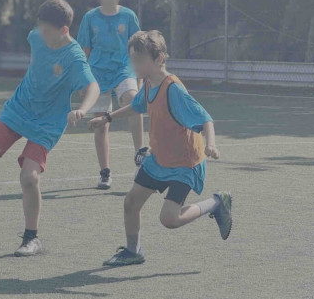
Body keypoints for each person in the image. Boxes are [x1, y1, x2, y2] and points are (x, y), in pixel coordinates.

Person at [0, 0, 100, 257]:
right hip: (18, 109)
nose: (41, 33)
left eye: (47, 30)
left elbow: (93, 86)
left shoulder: (74, 57)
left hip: (47, 123)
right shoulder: (35, 37)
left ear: (64, 30)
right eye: (40, 27)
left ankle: (31, 237)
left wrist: (82, 108)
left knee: (29, 177)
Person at [89, 30, 232, 267]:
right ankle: (133, 251)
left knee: (169, 219)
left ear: (159, 59)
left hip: (184, 163)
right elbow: (137, 106)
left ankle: (216, 204)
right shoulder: (148, 84)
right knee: (131, 203)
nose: (134, 65)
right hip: (159, 159)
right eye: (132, 59)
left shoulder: (173, 89)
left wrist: (211, 145)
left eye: (139, 60)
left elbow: (206, 119)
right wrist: (107, 118)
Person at [77, 0, 149, 189]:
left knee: (133, 100)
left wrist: (140, 76)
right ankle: (105, 172)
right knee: (101, 122)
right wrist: (82, 81)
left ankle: (140, 158)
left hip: (123, 69)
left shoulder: (128, 16)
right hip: (97, 73)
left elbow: (138, 47)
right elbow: (84, 51)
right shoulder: (90, 18)